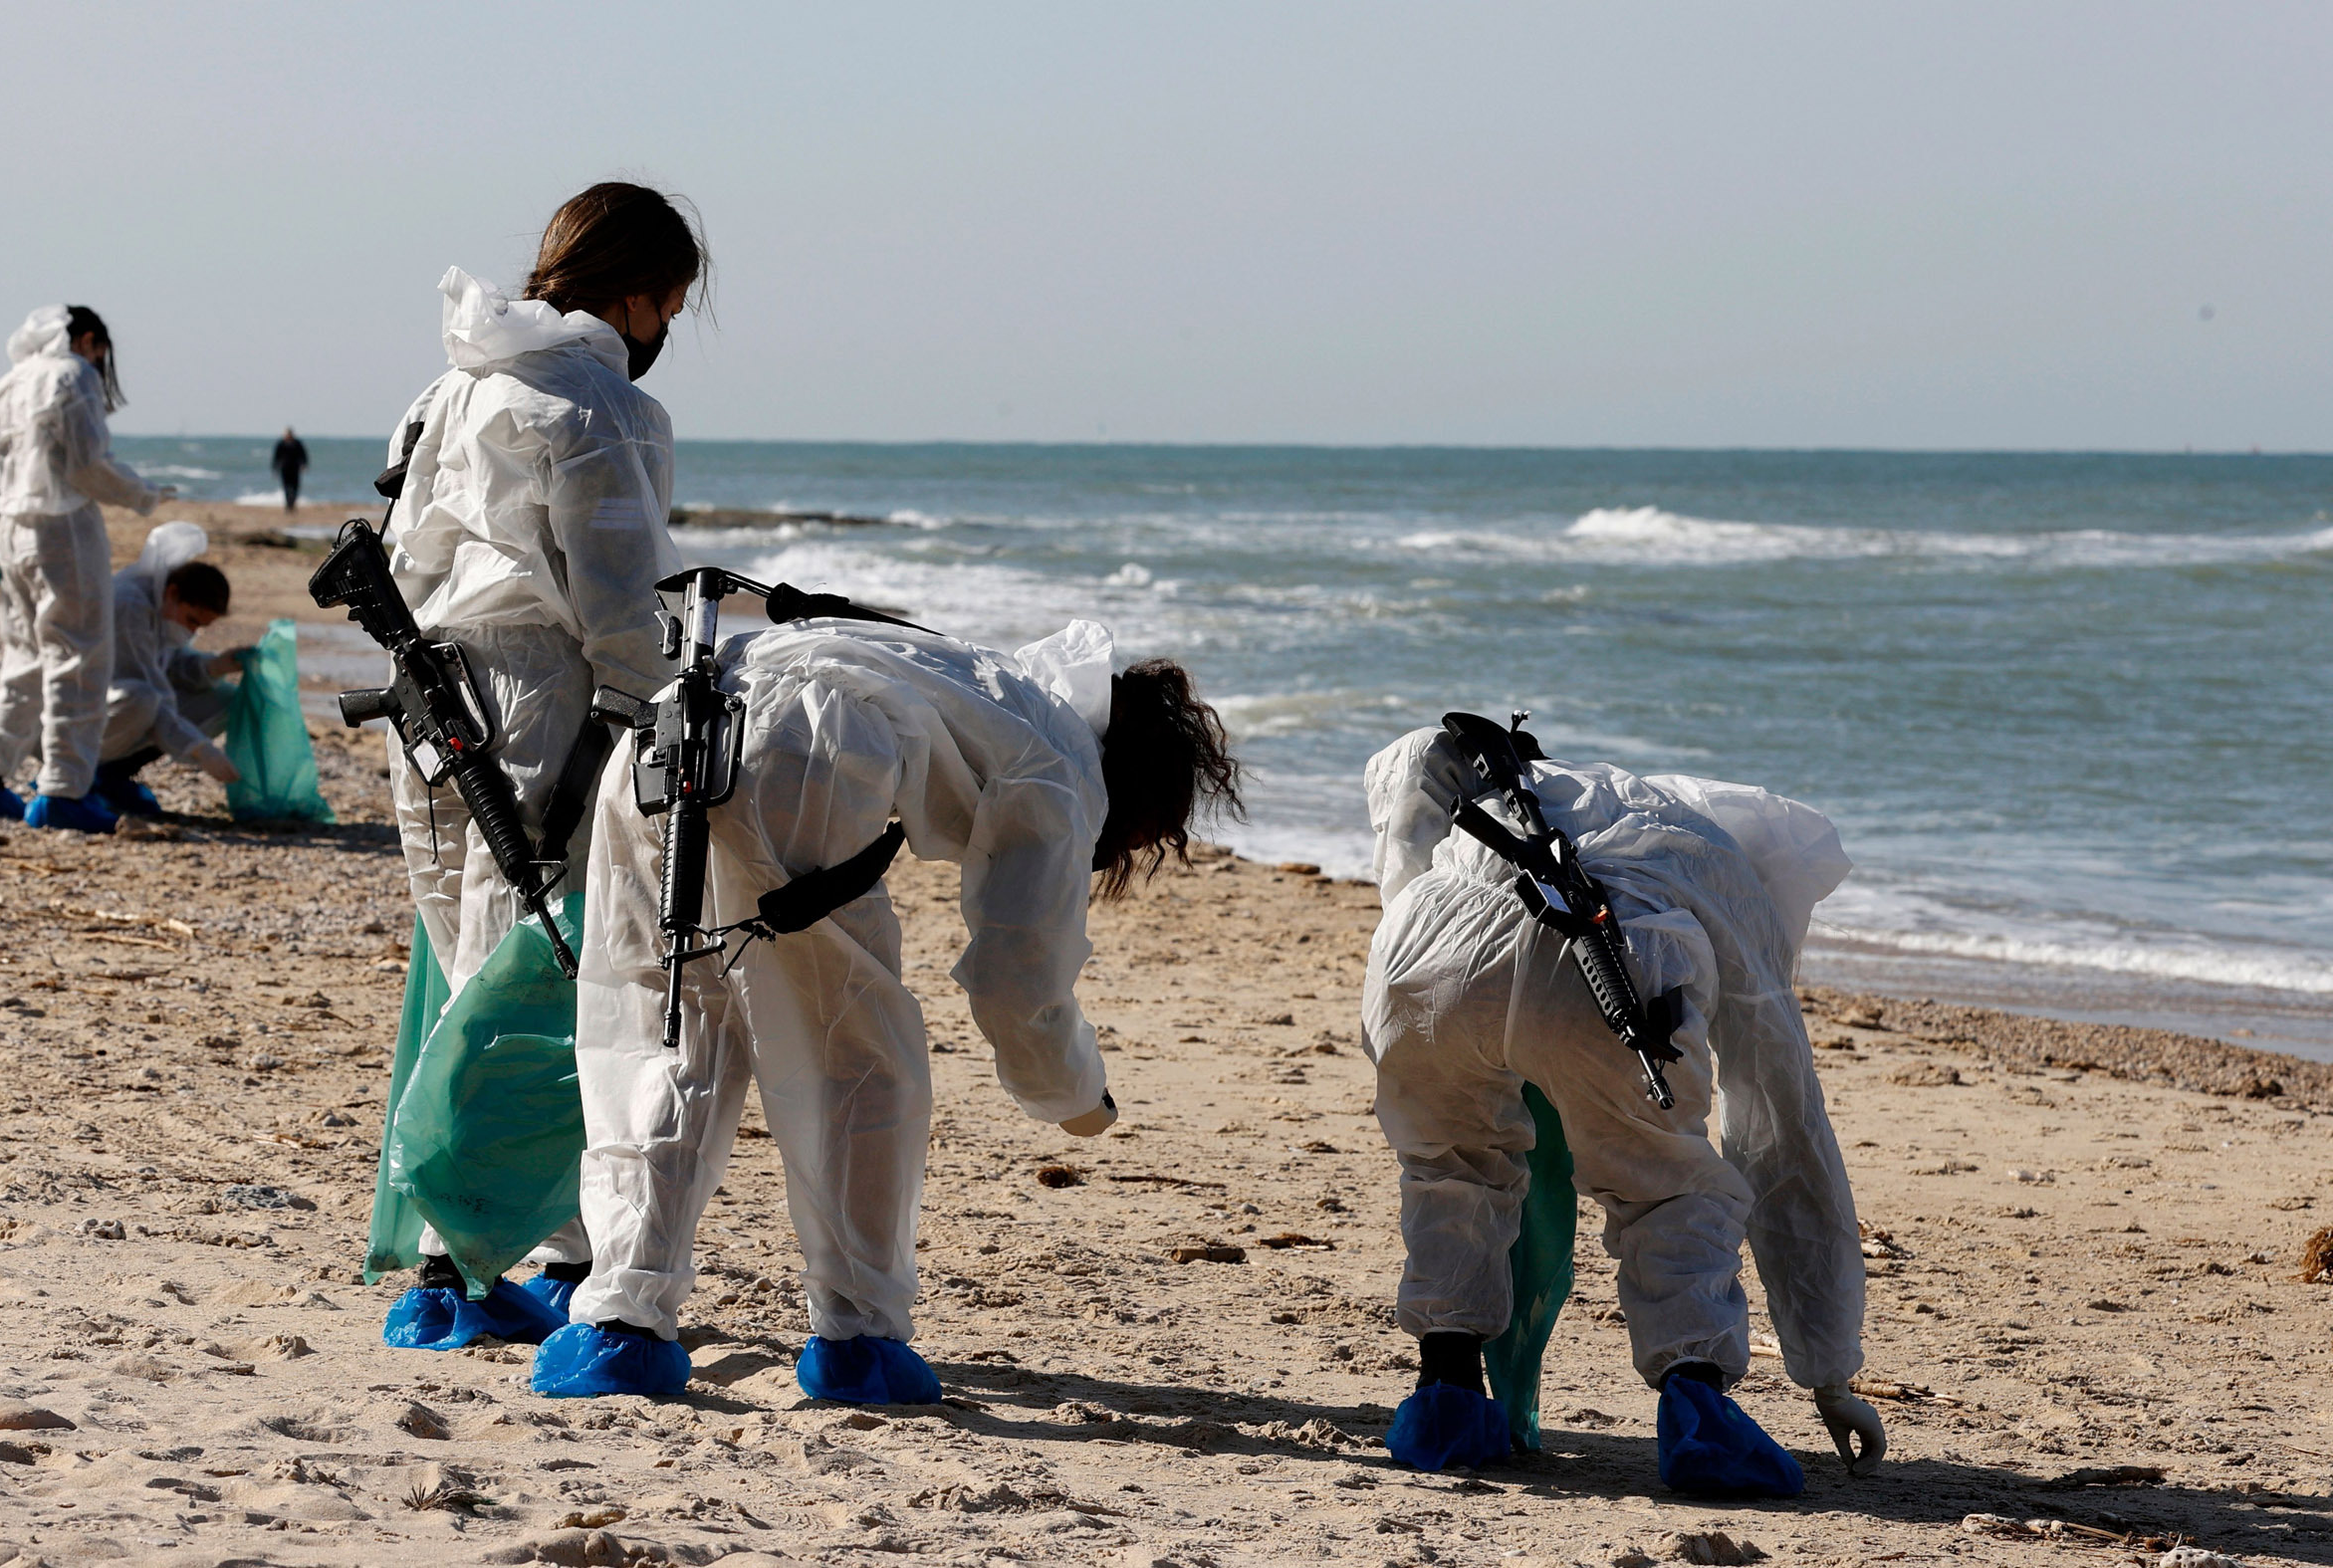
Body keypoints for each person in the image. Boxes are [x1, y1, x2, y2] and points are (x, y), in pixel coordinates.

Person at [533, 620, 1245, 1405]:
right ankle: (858, 1336)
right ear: (1136, 780)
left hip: (664, 734)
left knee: (667, 1041)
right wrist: (1074, 1094)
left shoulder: (985, 682)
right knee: (861, 1065)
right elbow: (1019, 975)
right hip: (798, 750)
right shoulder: (1063, 760)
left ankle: (621, 1327)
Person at [1359, 723, 1883, 1495]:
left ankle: (1446, 1402)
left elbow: (1413, 775)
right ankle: (1697, 1412)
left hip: (1419, 948)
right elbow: (1782, 1130)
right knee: (1667, 1186)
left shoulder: (1539, 793)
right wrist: (1829, 1370)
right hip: (1596, 955)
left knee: (1451, 1167)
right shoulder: (1720, 865)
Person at [371, 183, 701, 1336]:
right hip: (542, 699)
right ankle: (455, 1269)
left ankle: (530, 1249)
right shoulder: (601, 403)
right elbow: (619, 599)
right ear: (639, 292)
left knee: (475, 967)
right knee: (551, 975)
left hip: (432, 695)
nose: (667, 329)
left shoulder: (454, 383)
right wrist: (653, 706)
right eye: (672, 304)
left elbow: (406, 556)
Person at [0, 306, 173, 833]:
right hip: (62, 530)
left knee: (26, 653)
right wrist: (142, 494)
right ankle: (64, 788)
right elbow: (86, 464)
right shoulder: (72, 375)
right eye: (101, 352)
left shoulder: (10, 383)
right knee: (79, 657)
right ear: (88, 339)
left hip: (11, 531)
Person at [93, 521, 244, 817]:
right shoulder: (130, 607)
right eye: (192, 621)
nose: (191, 631)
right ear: (174, 593)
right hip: (84, 716)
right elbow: (146, 689)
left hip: (122, 706)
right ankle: (87, 774)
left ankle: (113, 774)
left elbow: (169, 664)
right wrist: (200, 749)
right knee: (144, 700)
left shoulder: (160, 604)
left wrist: (213, 666)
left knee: (225, 698)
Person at [271, 426, 310, 512]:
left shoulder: (297, 443)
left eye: (289, 434)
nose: (288, 435)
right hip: (284, 469)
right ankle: (288, 505)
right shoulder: (281, 443)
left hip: (295, 469)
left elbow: (303, 455)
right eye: (287, 434)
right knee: (286, 488)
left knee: (295, 487)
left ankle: (292, 504)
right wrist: (274, 468)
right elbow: (276, 457)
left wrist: (304, 465)